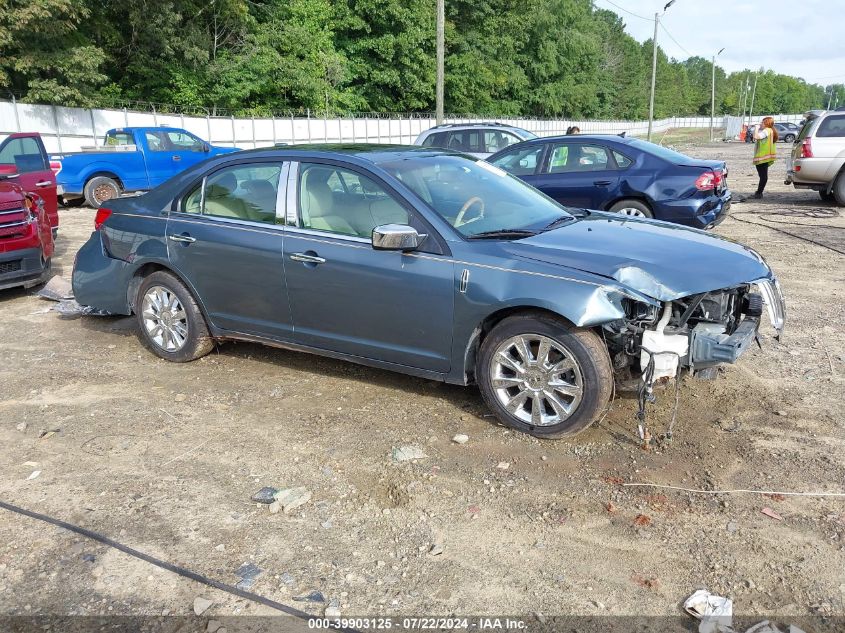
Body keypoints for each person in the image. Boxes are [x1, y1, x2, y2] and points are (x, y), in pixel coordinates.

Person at [752, 117, 778, 199]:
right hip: (765, 157)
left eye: (762, 122)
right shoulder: (770, 130)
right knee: (763, 176)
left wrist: (756, 128)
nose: (761, 124)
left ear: (766, 123)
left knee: (763, 177)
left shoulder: (767, 130)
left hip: (762, 157)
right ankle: (759, 192)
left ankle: (759, 193)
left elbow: (756, 137)